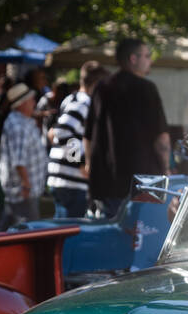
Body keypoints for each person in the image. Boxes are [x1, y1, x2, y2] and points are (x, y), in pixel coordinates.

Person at [86, 38, 169, 218]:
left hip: (106, 183)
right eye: (147, 56)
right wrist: (166, 169)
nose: (150, 61)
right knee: (142, 238)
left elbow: (88, 135)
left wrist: (89, 166)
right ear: (133, 59)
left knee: (110, 238)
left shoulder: (101, 88)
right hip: (144, 183)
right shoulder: (147, 88)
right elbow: (161, 138)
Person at [47, 62, 107, 218]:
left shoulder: (72, 99)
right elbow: (62, 131)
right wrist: (80, 162)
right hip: (70, 180)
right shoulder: (84, 103)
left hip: (63, 178)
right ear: (97, 84)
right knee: (69, 231)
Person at [0, 82, 47, 230]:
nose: (34, 103)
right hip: (23, 190)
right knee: (29, 231)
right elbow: (19, 161)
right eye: (31, 100)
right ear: (22, 103)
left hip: (23, 189)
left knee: (10, 226)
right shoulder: (18, 125)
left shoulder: (21, 121)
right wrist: (26, 184)